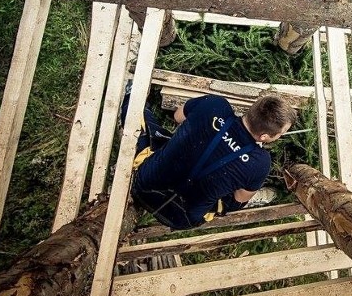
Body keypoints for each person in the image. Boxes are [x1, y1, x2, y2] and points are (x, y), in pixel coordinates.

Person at [123, 91, 296, 230]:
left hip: (144, 185)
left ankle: (131, 92)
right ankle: (259, 196)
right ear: (264, 137)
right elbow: (240, 199)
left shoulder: (215, 105)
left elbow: (177, 117)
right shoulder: (261, 162)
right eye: (282, 133)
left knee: (150, 131)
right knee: (232, 200)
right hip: (180, 218)